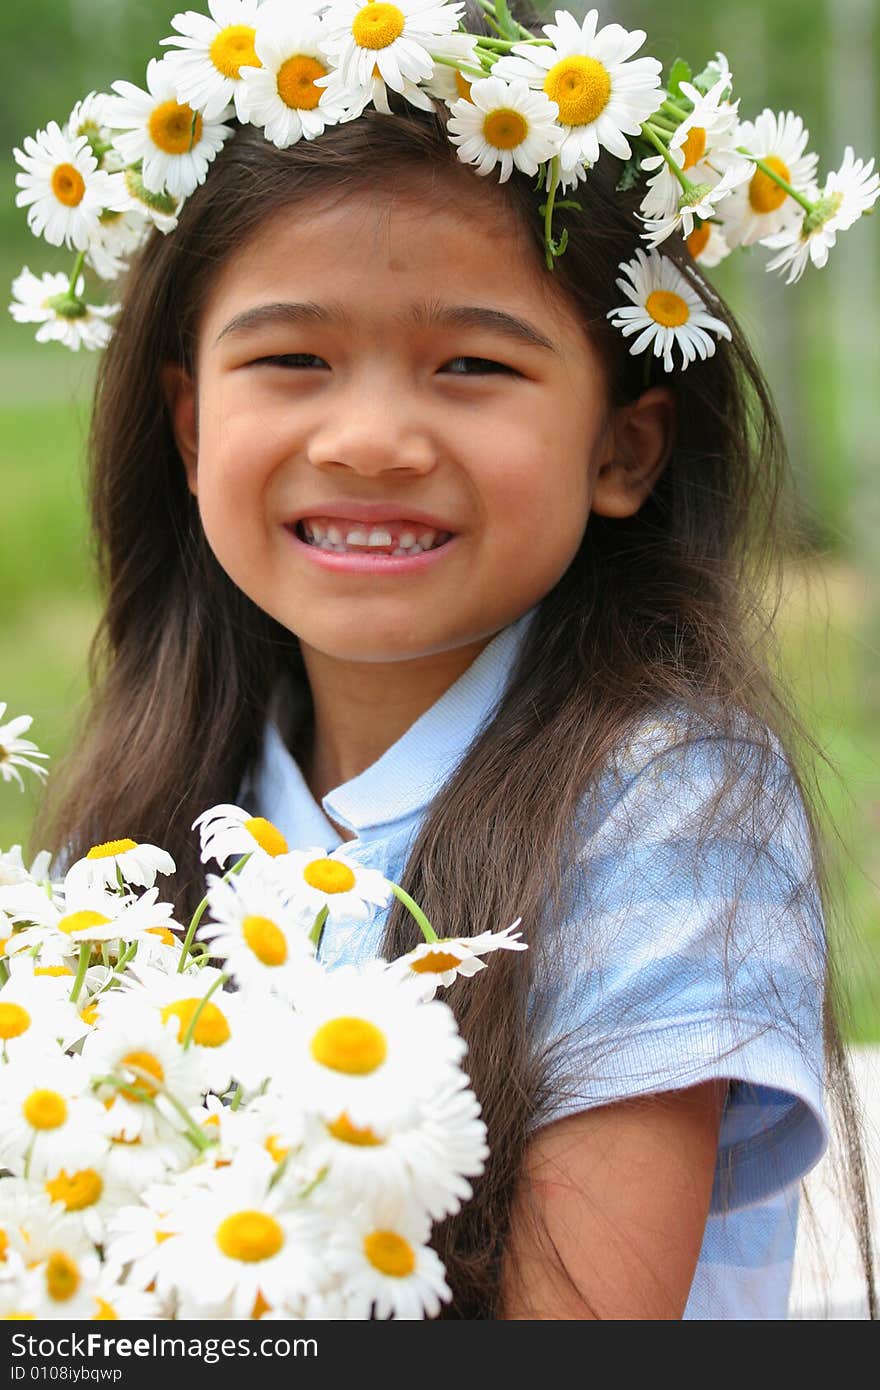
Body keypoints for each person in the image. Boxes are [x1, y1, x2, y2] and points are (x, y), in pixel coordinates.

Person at [30, 1, 875, 1320]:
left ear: (624, 449)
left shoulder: (668, 802)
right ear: (191, 427)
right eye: (293, 357)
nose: (371, 439)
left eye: (471, 363)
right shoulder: (164, 785)